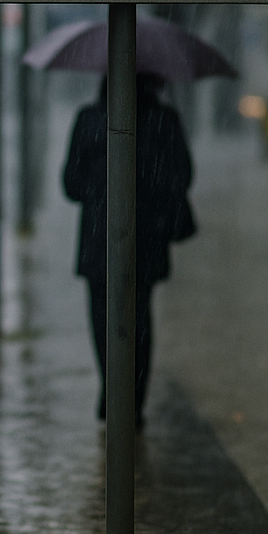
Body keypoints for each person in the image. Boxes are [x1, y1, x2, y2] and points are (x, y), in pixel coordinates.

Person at [61, 73, 195, 429]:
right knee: (139, 318)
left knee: (103, 318)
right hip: (147, 237)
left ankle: (112, 389)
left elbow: (70, 185)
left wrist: (100, 184)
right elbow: (183, 174)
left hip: (98, 239)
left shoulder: (91, 118)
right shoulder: (164, 120)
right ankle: (133, 400)